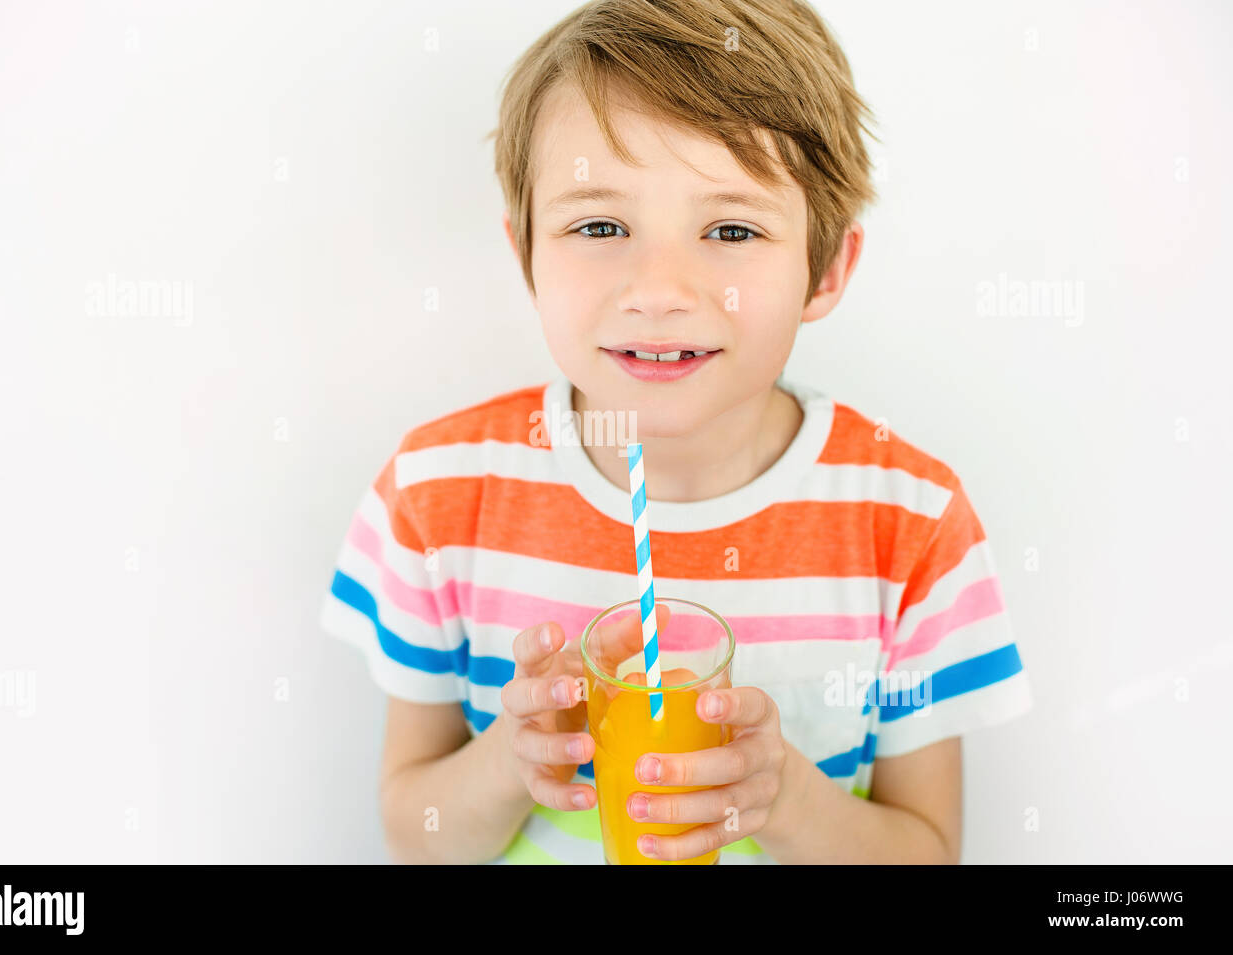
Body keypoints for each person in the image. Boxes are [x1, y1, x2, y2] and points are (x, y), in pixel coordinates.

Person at [320, 0, 1033, 864]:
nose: (659, 288)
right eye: (600, 226)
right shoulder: (440, 491)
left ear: (825, 270)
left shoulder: (909, 520)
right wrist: (515, 756)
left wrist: (781, 795)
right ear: (527, 258)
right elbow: (414, 836)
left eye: (730, 229)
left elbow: (928, 853)